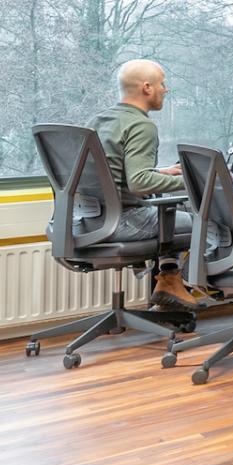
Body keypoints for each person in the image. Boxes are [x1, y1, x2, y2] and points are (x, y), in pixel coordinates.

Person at [91, 59, 212, 311]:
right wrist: (195, 181)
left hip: (89, 219)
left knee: (172, 213)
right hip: (123, 220)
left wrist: (158, 172)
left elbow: (112, 171)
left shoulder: (102, 120)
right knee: (207, 221)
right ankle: (175, 281)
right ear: (147, 87)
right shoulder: (141, 126)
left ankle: (170, 281)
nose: (165, 89)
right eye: (162, 84)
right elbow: (139, 182)